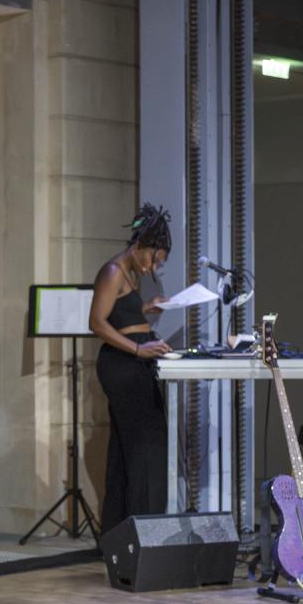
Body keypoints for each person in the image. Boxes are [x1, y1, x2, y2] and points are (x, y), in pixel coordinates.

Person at [88, 203, 173, 535]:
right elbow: (97, 322)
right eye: (153, 259)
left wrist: (146, 307)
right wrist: (139, 349)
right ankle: (142, 534)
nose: (152, 268)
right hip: (123, 366)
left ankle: (122, 532)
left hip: (134, 363)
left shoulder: (129, 274)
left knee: (133, 450)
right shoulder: (112, 271)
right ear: (140, 246)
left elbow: (121, 314)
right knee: (144, 449)